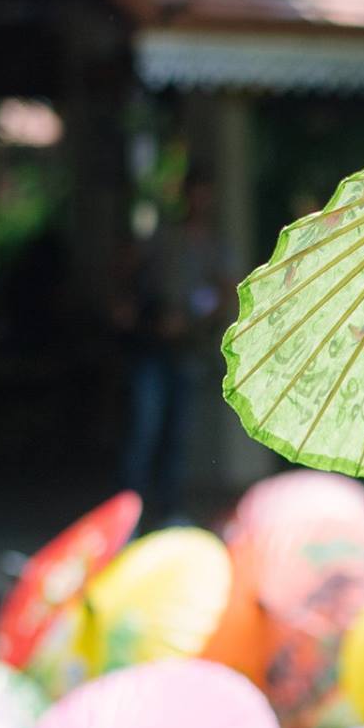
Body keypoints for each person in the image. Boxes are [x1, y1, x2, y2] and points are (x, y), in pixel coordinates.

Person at [122, 166, 239, 522]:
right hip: (152, 342)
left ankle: (170, 511)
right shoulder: (163, 237)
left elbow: (226, 297)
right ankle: (128, 513)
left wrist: (190, 320)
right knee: (143, 429)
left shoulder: (217, 246)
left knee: (177, 435)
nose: (199, 201)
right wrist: (129, 304)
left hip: (188, 347)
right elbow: (128, 267)